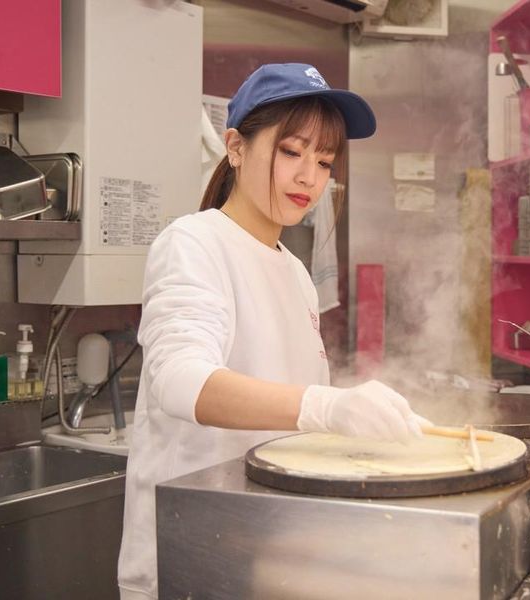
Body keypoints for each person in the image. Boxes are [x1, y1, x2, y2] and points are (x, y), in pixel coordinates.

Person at [117, 63, 431, 600]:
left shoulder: (295, 271)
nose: (310, 176)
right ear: (236, 147)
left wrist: (363, 427)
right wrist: (326, 406)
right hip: (192, 554)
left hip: (271, 551)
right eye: (291, 152)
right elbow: (179, 380)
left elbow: (289, 418)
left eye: (325, 160)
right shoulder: (193, 243)